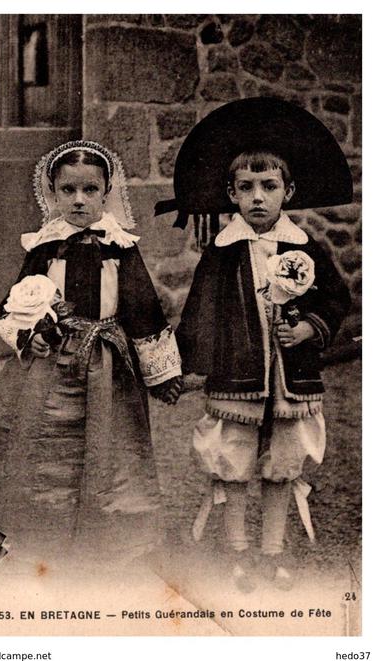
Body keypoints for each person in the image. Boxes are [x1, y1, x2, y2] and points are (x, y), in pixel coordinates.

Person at [163, 98, 352, 592]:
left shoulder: (305, 247)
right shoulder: (222, 253)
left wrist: (311, 326)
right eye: (245, 188)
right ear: (231, 193)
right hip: (238, 377)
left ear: (288, 191)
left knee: (283, 463)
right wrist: (182, 368)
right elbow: (198, 314)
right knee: (233, 461)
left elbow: (337, 298)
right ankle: (238, 554)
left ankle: (271, 552)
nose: (258, 198)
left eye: (269, 186)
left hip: (292, 379)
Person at [0, 140, 183, 571]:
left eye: (90, 189)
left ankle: (102, 532)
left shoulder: (120, 247)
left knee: (109, 444)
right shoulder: (46, 247)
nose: (80, 200)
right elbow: (15, 304)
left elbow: (143, 308)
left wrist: (161, 372)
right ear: (53, 193)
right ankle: (40, 525)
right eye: (68, 191)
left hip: (106, 361)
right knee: (44, 440)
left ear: (106, 192)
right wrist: (30, 336)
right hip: (50, 365)